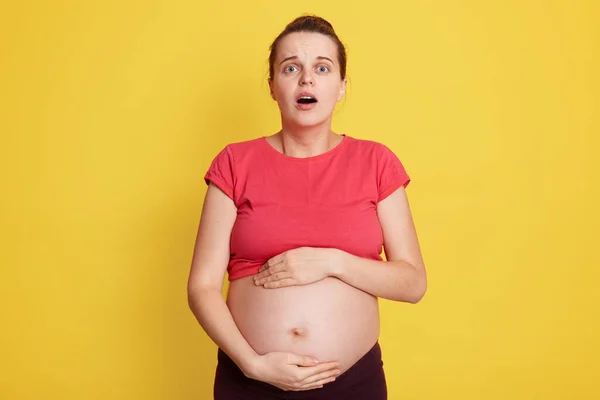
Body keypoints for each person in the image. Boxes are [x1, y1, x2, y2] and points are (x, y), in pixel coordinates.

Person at [187, 14, 427, 400]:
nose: (306, 79)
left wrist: (332, 261)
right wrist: (252, 364)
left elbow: (414, 284)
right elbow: (201, 286)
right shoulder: (234, 163)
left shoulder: (377, 162)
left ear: (342, 86)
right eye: (290, 67)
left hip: (352, 384)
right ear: (272, 86)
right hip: (249, 381)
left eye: (322, 67)